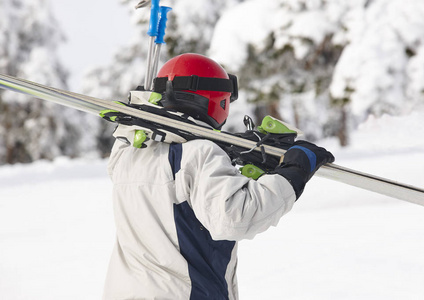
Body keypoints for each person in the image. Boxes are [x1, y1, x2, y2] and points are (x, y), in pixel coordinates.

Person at [103, 53, 334, 299]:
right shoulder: (200, 155)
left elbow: (172, 168)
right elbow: (237, 217)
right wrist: (294, 172)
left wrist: (235, 152)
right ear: (217, 101)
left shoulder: (126, 152)